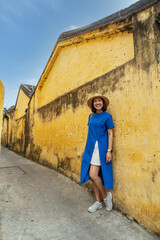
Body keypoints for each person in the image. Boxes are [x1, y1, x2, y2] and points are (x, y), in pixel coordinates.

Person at [81, 93, 114, 213]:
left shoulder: (107, 116)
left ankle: (106, 197)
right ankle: (98, 201)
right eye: (95, 101)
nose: (97, 103)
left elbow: (110, 133)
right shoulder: (91, 116)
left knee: (93, 175)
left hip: (101, 149)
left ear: (103, 103)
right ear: (93, 104)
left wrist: (109, 150)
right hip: (90, 149)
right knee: (94, 177)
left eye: (99, 101)